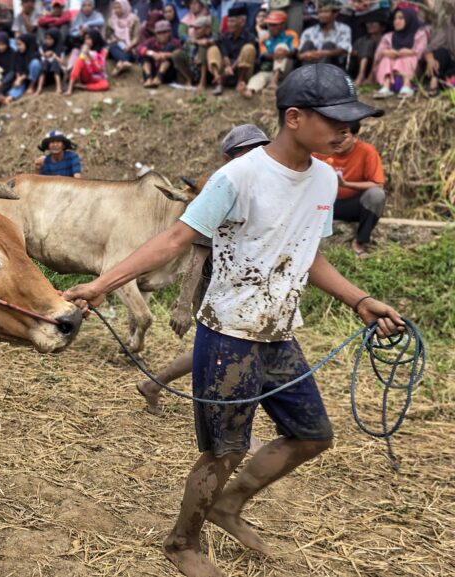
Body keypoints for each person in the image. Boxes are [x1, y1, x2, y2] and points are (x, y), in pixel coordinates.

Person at [63, 63, 403, 577]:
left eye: (351, 121)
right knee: (223, 450)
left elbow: (308, 256)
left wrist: (359, 299)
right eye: (335, 120)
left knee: (312, 435)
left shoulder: (323, 181)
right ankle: (182, 541)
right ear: (294, 117)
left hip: (279, 334)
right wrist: (99, 284)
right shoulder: (237, 176)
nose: (346, 131)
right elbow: (176, 238)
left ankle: (228, 505)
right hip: (228, 336)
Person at [136, 124, 270, 416]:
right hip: (214, 287)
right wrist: (183, 306)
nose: (257, 157)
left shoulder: (265, 190)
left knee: (215, 349)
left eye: (260, 150)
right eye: (248, 152)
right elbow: (197, 256)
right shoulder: (221, 192)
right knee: (223, 350)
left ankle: (155, 385)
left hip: (246, 288)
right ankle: (225, 417)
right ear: (230, 158)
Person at [313, 120, 385, 256]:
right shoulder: (320, 149)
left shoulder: (367, 151)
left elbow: (377, 183)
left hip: (350, 205)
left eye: (344, 135)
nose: (338, 140)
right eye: (334, 134)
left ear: (355, 137)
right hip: (323, 204)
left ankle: (359, 241)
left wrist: (345, 184)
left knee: (376, 195)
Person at [371, 7, 426, 100]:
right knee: (386, 58)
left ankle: (407, 86)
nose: (396, 21)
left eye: (401, 18)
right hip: (393, 74)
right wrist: (385, 52)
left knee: (407, 57)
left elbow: (421, 52)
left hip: (413, 74)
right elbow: (377, 55)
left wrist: (411, 52)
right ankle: (386, 86)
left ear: (410, 19)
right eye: (395, 18)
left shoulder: (420, 34)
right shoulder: (388, 36)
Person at [209, 5, 257, 96]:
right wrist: (227, 66)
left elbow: (242, 57)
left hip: (242, 71)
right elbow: (224, 54)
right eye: (228, 21)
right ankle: (218, 82)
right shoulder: (225, 36)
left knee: (248, 49)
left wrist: (231, 68)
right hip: (225, 74)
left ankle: (240, 82)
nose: (229, 24)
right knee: (212, 49)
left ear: (242, 22)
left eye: (232, 21)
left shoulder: (250, 37)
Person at [246, 9, 296, 94]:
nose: (270, 27)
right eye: (269, 24)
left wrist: (283, 52)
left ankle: (274, 81)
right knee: (259, 77)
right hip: (268, 69)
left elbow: (294, 52)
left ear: (283, 25)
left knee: (282, 47)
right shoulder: (264, 37)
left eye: (274, 25)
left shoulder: (291, 34)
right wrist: (275, 54)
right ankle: (249, 91)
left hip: (286, 70)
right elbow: (264, 54)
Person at [298, 0, 351, 68]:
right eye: (320, 12)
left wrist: (322, 53)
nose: (322, 15)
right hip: (311, 63)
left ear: (335, 14)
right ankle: (308, 77)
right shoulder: (309, 31)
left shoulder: (344, 28)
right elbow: (299, 54)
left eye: (326, 12)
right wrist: (305, 55)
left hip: (333, 67)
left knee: (328, 45)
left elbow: (343, 50)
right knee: (308, 44)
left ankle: (322, 77)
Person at [172, 14, 217, 89]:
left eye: (198, 28)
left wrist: (199, 43)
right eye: (194, 28)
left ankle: (203, 81)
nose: (195, 31)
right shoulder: (191, 40)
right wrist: (196, 41)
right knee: (176, 54)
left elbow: (209, 41)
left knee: (203, 48)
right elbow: (185, 53)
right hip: (192, 70)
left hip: (208, 73)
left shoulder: (213, 37)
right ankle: (188, 79)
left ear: (207, 29)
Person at [138, 19, 182, 87]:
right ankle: (148, 78)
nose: (162, 35)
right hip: (153, 71)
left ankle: (159, 78)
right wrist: (152, 54)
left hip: (167, 73)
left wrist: (168, 55)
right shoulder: (151, 41)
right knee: (145, 56)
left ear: (169, 32)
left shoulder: (175, 43)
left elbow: (181, 55)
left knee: (169, 49)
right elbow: (139, 49)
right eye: (159, 33)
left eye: (165, 32)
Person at [65, 27, 108, 93]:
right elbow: (79, 63)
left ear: (94, 38)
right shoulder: (84, 49)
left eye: (89, 38)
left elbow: (99, 69)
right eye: (85, 39)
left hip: (97, 76)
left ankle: (82, 86)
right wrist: (85, 53)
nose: (86, 41)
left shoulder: (102, 51)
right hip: (86, 75)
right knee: (79, 60)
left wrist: (89, 56)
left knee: (105, 85)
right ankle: (70, 87)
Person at [424, 6, 455, 98]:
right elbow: (429, 49)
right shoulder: (448, 28)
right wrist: (430, 60)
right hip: (448, 65)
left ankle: (447, 83)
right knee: (441, 53)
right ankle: (434, 82)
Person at [350, 9, 384, 86]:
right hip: (358, 67)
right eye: (368, 23)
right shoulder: (361, 40)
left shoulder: (386, 39)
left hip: (378, 67)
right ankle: (361, 75)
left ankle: (369, 77)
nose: (369, 25)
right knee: (367, 44)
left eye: (373, 23)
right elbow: (352, 53)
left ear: (382, 27)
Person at [107, 0, 140, 74]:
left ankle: (120, 63)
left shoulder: (134, 19)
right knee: (113, 47)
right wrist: (112, 41)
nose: (116, 10)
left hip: (131, 49)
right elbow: (107, 38)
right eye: (115, 8)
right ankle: (124, 61)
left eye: (119, 8)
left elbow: (136, 38)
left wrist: (130, 46)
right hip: (116, 48)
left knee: (126, 50)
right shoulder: (111, 20)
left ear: (125, 7)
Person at [8, 32, 41, 100]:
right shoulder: (17, 54)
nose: (19, 47)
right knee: (18, 85)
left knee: (35, 63)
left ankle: (31, 86)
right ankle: (9, 98)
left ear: (27, 43)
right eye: (17, 45)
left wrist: (20, 79)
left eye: (20, 44)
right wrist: (18, 78)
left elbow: (29, 70)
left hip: (34, 78)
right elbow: (17, 67)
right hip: (24, 78)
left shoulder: (35, 54)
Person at [35, 28, 65, 93]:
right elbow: (40, 59)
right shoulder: (43, 47)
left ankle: (58, 87)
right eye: (46, 38)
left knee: (55, 62)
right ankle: (39, 88)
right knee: (45, 62)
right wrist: (44, 55)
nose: (47, 41)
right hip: (46, 73)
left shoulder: (60, 48)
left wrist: (53, 54)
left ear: (55, 39)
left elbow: (63, 63)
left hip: (57, 73)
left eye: (50, 39)